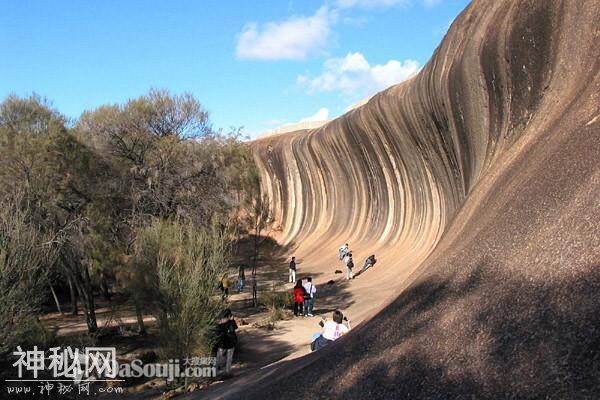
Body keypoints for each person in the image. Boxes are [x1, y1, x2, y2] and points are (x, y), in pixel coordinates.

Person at [215, 308, 238, 376]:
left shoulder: (219, 323)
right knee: (229, 358)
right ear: (229, 315)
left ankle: (215, 371)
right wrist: (232, 319)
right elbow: (235, 328)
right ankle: (227, 371)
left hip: (222, 343)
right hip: (231, 343)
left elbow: (217, 332)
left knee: (218, 357)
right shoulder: (231, 322)